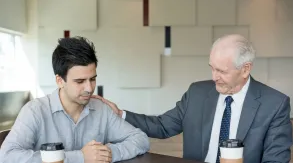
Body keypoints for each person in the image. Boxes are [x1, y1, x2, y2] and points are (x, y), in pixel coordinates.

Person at [94, 34, 292, 163]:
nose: (214, 77)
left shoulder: (274, 104)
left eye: (222, 71)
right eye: (212, 68)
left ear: (245, 69)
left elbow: (275, 160)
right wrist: (120, 114)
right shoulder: (197, 92)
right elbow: (162, 126)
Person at [0, 37, 150, 163]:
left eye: (92, 79)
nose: (89, 88)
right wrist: (80, 157)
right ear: (60, 80)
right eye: (80, 81)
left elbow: (141, 139)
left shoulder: (101, 109)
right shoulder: (34, 111)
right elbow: (7, 156)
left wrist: (108, 153)